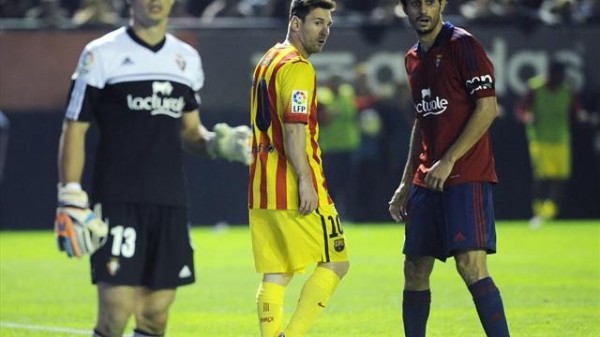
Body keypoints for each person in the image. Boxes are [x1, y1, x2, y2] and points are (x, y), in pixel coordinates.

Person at [55, 0, 251, 336]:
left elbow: (191, 133)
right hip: (118, 197)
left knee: (155, 314)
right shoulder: (100, 53)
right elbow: (75, 126)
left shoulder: (186, 58)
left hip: (170, 199)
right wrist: (70, 193)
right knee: (115, 311)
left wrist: (219, 144)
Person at [388, 1, 511, 337]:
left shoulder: (463, 45)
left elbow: (488, 109)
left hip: (465, 174)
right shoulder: (412, 58)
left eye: (429, 1)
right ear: (404, 8)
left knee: (470, 265)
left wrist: (450, 159)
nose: (422, 9)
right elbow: (422, 120)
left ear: (441, 3)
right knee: (414, 268)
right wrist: (405, 183)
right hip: (426, 179)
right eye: (414, 3)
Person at [248, 1, 350, 336]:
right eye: (317, 22)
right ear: (295, 22)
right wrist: (306, 182)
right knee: (336, 262)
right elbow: (294, 129)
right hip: (293, 186)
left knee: (277, 273)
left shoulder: (267, 59)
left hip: (263, 187)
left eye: (329, 24)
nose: (325, 32)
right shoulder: (297, 66)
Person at [516, 59, 584, 228]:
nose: (560, 78)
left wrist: (582, 116)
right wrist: (527, 117)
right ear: (550, 74)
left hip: (561, 140)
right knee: (541, 177)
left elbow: (576, 110)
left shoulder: (567, 90)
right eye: (558, 75)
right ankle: (538, 212)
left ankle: (549, 212)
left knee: (560, 178)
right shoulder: (535, 88)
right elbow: (521, 109)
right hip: (540, 140)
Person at [318, 74, 361, 221]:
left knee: (349, 184)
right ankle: (332, 214)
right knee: (331, 184)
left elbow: (352, 111)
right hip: (330, 147)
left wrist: (334, 112)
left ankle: (350, 215)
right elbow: (323, 118)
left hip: (348, 146)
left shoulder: (347, 93)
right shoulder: (322, 95)